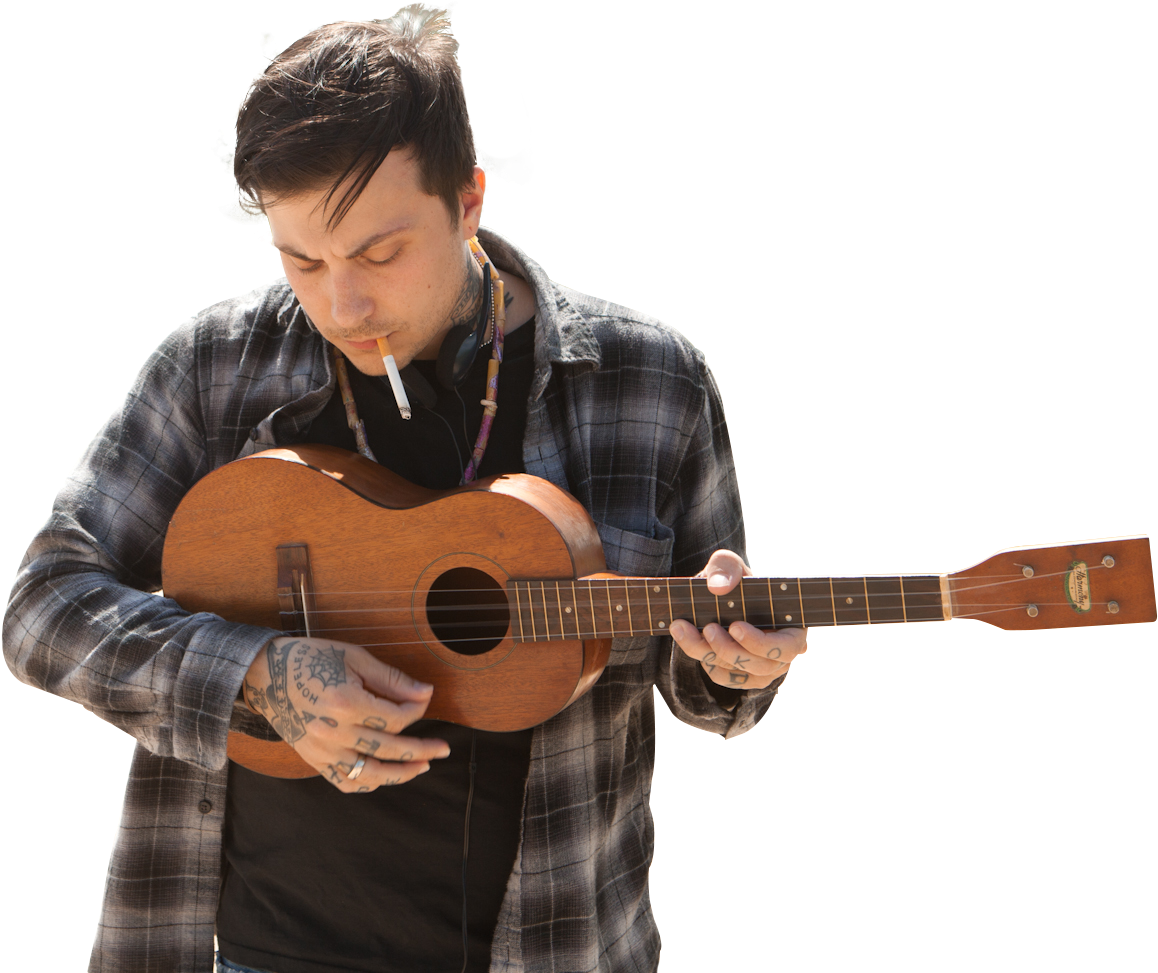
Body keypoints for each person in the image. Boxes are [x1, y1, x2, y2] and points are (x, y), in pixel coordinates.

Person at [4, 7, 807, 972]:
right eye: (303, 260)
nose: (342, 303)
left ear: (471, 199)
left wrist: (735, 666)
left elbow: (711, 696)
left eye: (380, 253)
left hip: (556, 945)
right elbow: (43, 609)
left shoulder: (653, 376)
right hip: (259, 949)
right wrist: (258, 672)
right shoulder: (213, 364)